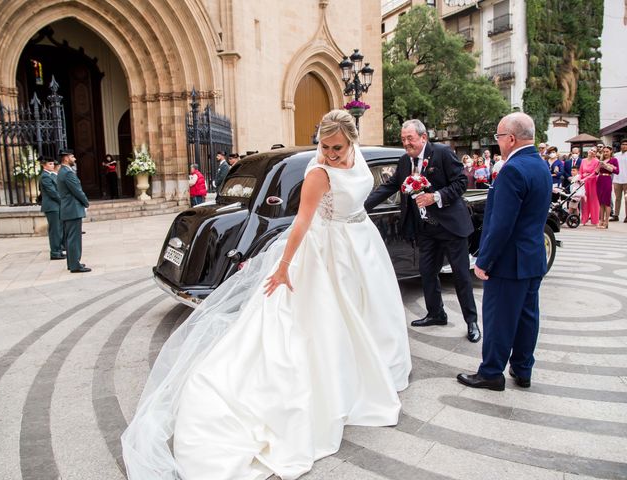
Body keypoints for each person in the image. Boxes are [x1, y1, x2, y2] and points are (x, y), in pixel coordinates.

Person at [122, 110, 412, 480]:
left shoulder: (356, 160)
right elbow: (302, 223)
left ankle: (367, 369)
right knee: (325, 320)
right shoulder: (318, 173)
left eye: (337, 147)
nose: (331, 154)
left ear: (352, 141)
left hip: (361, 244)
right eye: (324, 146)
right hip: (327, 252)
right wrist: (283, 266)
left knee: (368, 311)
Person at [457, 112, 552, 391]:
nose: (497, 142)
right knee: (527, 317)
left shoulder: (512, 169)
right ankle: (523, 370)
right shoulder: (540, 165)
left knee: (499, 317)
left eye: (498, 136)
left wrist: (483, 260)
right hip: (533, 257)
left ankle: (491, 373)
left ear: (510, 138)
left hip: (509, 260)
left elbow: (501, 224)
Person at [365, 119, 480, 343]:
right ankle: (436, 313)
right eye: (403, 139)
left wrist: (435, 197)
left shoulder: (442, 153)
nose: (406, 143)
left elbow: (460, 183)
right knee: (427, 272)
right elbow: (391, 186)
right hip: (425, 229)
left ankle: (471, 321)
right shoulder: (404, 161)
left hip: (451, 226)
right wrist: (361, 207)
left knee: (461, 274)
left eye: (410, 138)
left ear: (423, 138)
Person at [57, 149, 91, 273]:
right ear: (66, 158)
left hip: (68, 209)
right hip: (72, 209)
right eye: (72, 156)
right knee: (74, 238)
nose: (75, 159)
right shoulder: (67, 173)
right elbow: (77, 190)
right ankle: (75, 265)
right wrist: (86, 202)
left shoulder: (63, 171)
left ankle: (72, 263)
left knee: (70, 238)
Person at [38, 156, 65, 260]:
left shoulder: (51, 175)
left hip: (56, 205)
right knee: (55, 230)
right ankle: (54, 252)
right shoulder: (45, 176)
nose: (52, 165)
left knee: (58, 229)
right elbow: (52, 192)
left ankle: (58, 250)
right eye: (50, 164)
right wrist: (62, 201)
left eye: (53, 164)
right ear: (43, 165)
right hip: (51, 206)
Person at [596, 146, 619, 229]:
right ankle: (601, 221)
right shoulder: (601, 160)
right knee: (601, 201)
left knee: (606, 201)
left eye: (607, 151)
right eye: (604, 152)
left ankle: (606, 222)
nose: (605, 153)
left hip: (607, 179)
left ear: (611, 151)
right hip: (600, 180)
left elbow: (617, 171)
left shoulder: (614, 160)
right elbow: (596, 172)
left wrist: (607, 166)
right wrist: (599, 165)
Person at [580, 147, 600, 226]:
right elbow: (581, 171)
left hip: (593, 182)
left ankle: (595, 220)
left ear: (595, 153)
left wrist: (586, 178)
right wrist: (581, 179)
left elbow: (595, 173)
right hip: (584, 182)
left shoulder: (597, 161)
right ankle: (584, 220)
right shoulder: (583, 160)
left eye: (594, 151)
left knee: (593, 201)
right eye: (591, 150)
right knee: (584, 201)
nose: (592, 152)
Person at [611, 139, 627, 222]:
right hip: (617, 179)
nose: (624, 146)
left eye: (626, 144)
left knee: (626, 198)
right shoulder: (616, 155)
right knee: (617, 198)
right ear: (620, 145)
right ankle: (616, 215)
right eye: (623, 144)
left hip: (626, 180)